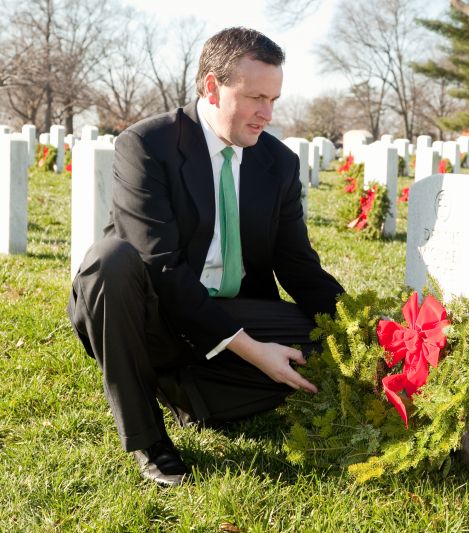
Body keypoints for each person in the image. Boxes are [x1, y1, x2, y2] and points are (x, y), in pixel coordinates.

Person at [67, 27, 344, 487]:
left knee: (333, 347)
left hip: (230, 307)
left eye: (274, 99)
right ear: (211, 87)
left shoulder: (279, 163)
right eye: (256, 97)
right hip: (153, 315)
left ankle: (189, 390)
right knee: (108, 262)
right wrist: (254, 352)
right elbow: (160, 266)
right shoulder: (146, 146)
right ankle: (148, 436)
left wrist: (368, 329)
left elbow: (297, 264)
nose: (267, 114)